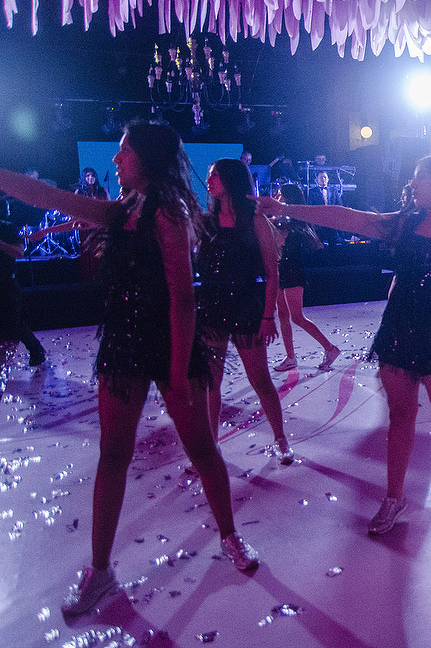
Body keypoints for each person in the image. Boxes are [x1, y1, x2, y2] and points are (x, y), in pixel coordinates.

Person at [0, 122, 258, 616]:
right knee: (112, 454)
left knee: (202, 449)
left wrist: (178, 375)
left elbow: (183, 300)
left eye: (123, 153)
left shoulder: (168, 212)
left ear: (148, 158)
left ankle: (230, 536)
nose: (115, 161)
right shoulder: (123, 209)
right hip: (122, 342)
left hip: (170, 342)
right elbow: (50, 196)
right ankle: (100, 572)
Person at [258, 153, 431, 534]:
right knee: (400, 416)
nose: (413, 183)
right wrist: (287, 209)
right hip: (399, 327)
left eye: (421, 177)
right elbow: (349, 217)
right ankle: (394, 498)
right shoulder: (408, 221)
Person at [196, 159, 293, 464]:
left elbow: (272, 274)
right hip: (211, 307)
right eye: (209, 175)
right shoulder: (205, 221)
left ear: (231, 180)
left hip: (246, 306)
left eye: (215, 175)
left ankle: (280, 439)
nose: (209, 180)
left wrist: (268, 316)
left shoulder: (255, 221)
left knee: (260, 379)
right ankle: (210, 447)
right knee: (211, 384)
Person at [270, 183, 341, 371]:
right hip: (280, 270)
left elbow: (281, 238)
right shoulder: (281, 220)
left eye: (280, 194)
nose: (277, 197)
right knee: (282, 315)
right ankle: (290, 358)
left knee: (297, 317)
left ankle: (330, 348)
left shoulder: (294, 222)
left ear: (288, 198)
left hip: (293, 271)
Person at [0, 204, 45, 369]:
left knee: (14, 322)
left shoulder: (8, 228)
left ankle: (36, 349)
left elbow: (19, 253)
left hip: (6, 282)